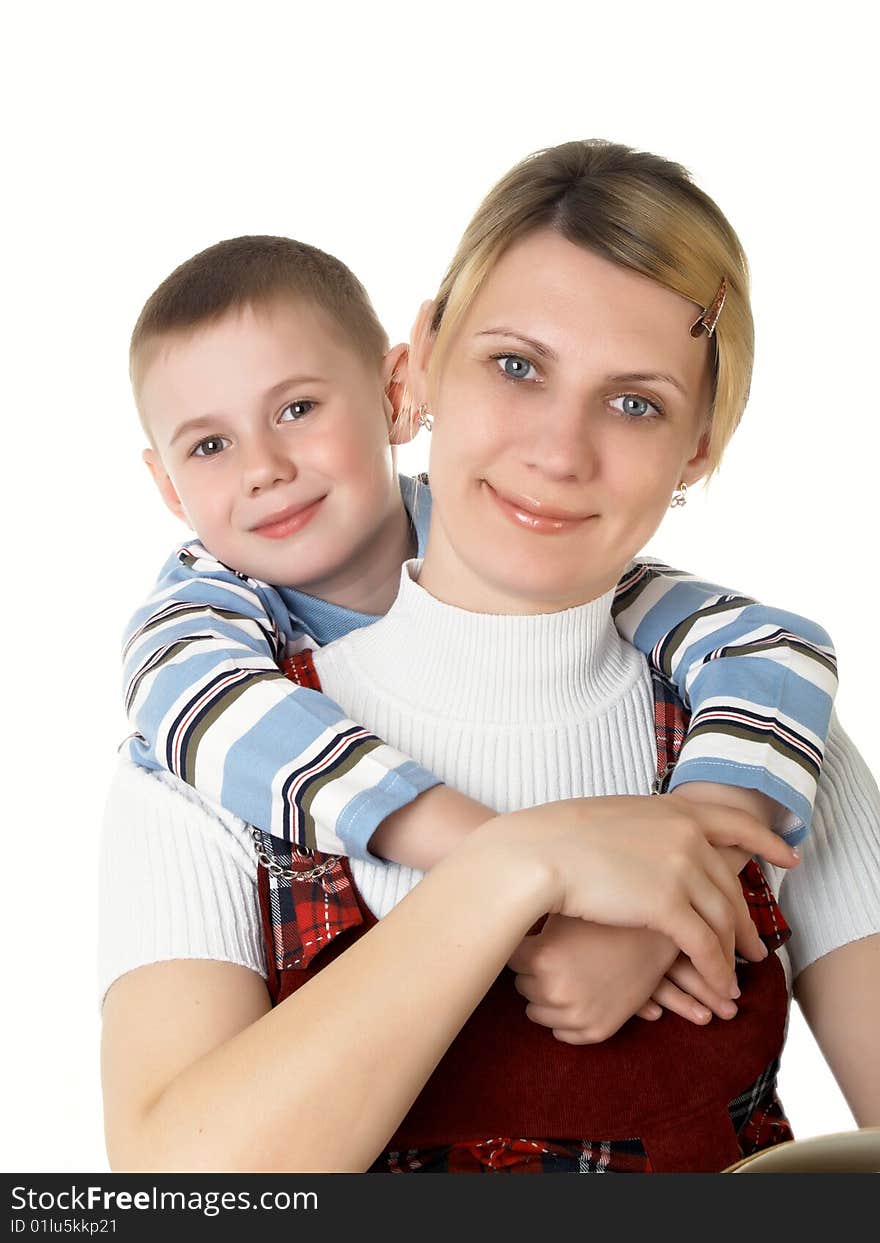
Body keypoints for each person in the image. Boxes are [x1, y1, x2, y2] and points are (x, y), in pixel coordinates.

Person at [100, 141, 880, 1173]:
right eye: (516, 366)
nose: (559, 451)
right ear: (419, 359)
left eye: (636, 401)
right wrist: (519, 864)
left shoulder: (763, 736)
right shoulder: (210, 749)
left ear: (698, 443)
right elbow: (173, 1195)